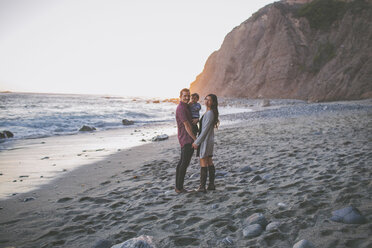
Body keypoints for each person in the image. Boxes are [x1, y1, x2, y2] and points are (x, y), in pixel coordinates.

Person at [192, 94, 219, 193]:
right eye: (206, 99)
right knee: (209, 161)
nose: (207, 101)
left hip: (205, 141)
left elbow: (205, 130)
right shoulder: (209, 112)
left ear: (213, 102)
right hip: (208, 140)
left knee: (203, 161)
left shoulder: (210, 113)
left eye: (209, 100)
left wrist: (197, 142)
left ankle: (202, 187)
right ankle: (211, 185)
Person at [175, 88, 197, 193]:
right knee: (184, 163)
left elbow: (193, 107)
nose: (187, 97)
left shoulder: (186, 106)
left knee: (182, 163)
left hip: (185, 138)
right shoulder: (181, 108)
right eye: (185, 96)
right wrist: (195, 139)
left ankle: (178, 187)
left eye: (188, 95)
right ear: (180, 97)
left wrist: (197, 119)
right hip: (186, 139)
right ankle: (179, 188)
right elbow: (187, 125)